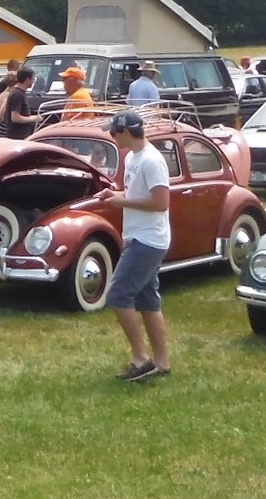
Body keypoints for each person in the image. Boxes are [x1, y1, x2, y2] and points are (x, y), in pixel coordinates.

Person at [94, 110, 172, 381]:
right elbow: (136, 194)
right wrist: (114, 195)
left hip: (148, 240)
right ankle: (161, 363)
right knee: (148, 299)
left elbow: (161, 203)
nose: (111, 136)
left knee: (118, 294)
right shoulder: (132, 158)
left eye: (113, 132)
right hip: (139, 236)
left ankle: (141, 358)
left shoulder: (152, 160)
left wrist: (121, 202)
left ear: (126, 132)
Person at [0, 67, 41, 138]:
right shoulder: (17, 94)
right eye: (32, 79)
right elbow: (15, 117)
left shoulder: (19, 93)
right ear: (27, 80)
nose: (33, 81)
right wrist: (34, 118)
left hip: (19, 135)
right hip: (16, 136)